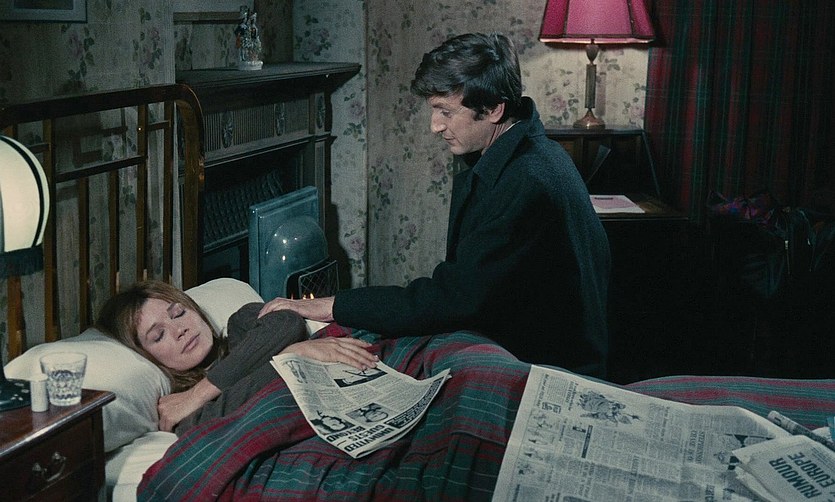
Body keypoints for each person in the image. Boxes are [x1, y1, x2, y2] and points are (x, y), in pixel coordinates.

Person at [259, 33, 611, 377]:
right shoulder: (530, 154)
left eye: (445, 111)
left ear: (493, 109)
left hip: (547, 366)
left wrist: (332, 305)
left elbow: (453, 299)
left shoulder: (526, 181)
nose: (435, 126)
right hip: (530, 342)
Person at [95, 280, 378, 434]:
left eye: (178, 313)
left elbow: (286, 322)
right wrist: (293, 355)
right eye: (158, 336)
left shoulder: (241, 326)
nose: (179, 329)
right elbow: (205, 426)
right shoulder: (179, 407)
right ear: (145, 355)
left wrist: (199, 393)